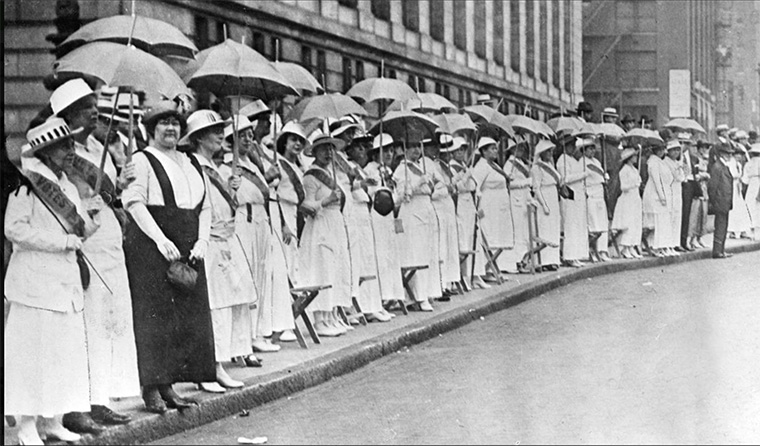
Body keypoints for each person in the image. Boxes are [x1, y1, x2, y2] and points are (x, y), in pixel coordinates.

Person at [5, 118, 104, 444]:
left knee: (62, 354)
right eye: (63, 146)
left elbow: (78, 234)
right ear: (45, 152)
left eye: (71, 145)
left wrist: (92, 217)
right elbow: (14, 230)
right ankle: (27, 425)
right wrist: (61, 242)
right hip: (35, 282)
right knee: (34, 355)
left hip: (64, 281)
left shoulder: (69, 187)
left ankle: (52, 420)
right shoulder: (26, 185)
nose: (70, 151)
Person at [52, 80, 140, 432]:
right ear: (69, 113)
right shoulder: (59, 151)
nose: (95, 112)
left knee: (109, 323)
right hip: (83, 243)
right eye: (88, 106)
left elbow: (108, 194)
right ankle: (78, 405)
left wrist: (121, 183)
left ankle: (100, 398)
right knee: (87, 326)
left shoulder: (94, 147)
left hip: (109, 243)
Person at [121, 100, 216, 414]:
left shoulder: (191, 161)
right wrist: (160, 239)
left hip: (188, 242)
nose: (171, 128)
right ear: (151, 130)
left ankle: (169, 384)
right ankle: (151, 387)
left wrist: (202, 239)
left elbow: (205, 206)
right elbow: (134, 202)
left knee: (183, 317)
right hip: (151, 244)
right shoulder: (142, 160)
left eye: (176, 123)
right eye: (164, 123)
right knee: (155, 317)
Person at [182, 110, 256, 393]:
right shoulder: (193, 167)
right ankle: (207, 368)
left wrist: (232, 189)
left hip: (227, 240)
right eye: (214, 131)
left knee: (230, 305)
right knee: (214, 307)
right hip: (209, 244)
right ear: (199, 138)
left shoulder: (216, 169)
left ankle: (219, 365)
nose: (221, 135)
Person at [218, 115, 268, 367]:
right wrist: (232, 186)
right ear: (231, 140)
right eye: (242, 135)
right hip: (240, 223)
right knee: (243, 282)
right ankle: (241, 343)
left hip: (259, 221)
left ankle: (253, 335)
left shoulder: (253, 164)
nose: (248, 139)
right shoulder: (227, 166)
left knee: (258, 277)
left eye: (251, 135)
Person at [298, 135, 353, 333]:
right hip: (321, 225)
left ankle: (332, 316)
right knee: (323, 269)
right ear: (314, 152)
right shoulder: (311, 176)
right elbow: (306, 206)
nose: (328, 153)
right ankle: (320, 320)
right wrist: (326, 201)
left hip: (335, 223)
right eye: (323, 149)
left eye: (331, 149)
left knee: (337, 269)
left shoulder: (332, 173)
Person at [344, 132, 389, 322]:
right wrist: (360, 183)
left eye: (365, 147)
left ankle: (372, 304)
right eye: (359, 147)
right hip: (353, 212)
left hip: (365, 213)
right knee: (359, 260)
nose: (363, 151)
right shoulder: (349, 167)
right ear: (350, 150)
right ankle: (358, 306)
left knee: (369, 258)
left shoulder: (361, 169)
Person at [392, 138, 442, 311]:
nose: (415, 150)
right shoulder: (401, 169)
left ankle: (428, 291)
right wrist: (417, 182)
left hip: (426, 208)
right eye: (412, 146)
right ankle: (418, 296)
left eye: (418, 146)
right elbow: (401, 196)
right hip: (412, 212)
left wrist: (428, 182)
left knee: (428, 251)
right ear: (404, 149)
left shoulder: (422, 166)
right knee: (416, 252)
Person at [364, 134, 404, 312]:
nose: (388, 154)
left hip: (389, 218)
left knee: (390, 256)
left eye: (390, 150)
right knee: (381, 256)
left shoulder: (388, 171)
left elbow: (394, 197)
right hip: (377, 216)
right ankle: (380, 297)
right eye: (384, 150)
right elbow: (373, 194)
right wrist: (382, 186)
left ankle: (390, 296)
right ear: (375, 154)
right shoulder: (370, 170)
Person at [422, 135, 460, 297]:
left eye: (436, 146)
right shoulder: (426, 164)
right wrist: (445, 189)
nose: (436, 149)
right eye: (432, 146)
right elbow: (432, 191)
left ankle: (447, 282)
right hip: (436, 208)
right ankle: (440, 284)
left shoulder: (435, 163)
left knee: (447, 246)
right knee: (439, 248)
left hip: (445, 208)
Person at [449, 137, 489, 288]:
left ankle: (476, 273)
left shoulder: (465, 165)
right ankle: (465, 275)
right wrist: (465, 177)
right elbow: (455, 187)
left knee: (475, 236)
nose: (460, 152)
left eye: (463, 150)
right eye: (457, 150)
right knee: (464, 238)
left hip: (470, 203)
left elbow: (473, 185)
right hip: (460, 203)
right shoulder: (452, 167)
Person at [472, 137, 515, 277]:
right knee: (489, 236)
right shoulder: (481, 166)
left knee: (499, 236)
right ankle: (486, 269)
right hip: (488, 206)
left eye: (496, 148)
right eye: (492, 148)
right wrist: (477, 207)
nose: (495, 151)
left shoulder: (494, 165)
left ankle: (495, 267)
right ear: (483, 151)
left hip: (499, 206)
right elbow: (476, 187)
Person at [557, 139, 590, 267]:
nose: (573, 148)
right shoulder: (562, 160)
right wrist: (583, 175)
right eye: (570, 146)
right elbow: (565, 179)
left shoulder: (573, 159)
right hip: (569, 194)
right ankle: (569, 256)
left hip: (578, 195)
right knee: (571, 226)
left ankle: (576, 255)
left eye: (573, 146)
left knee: (577, 225)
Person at [531, 140, 562, 269]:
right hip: (544, 196)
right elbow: (536, 188)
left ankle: (553, 259)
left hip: (553, 195)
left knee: (553, 228)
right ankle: (543, 260)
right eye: (547, 151)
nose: (550, 153)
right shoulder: (537, 167)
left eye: (551, 151)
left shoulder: (550, 165)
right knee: (544, 228)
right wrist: (543, 204)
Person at [504, 139, 533, 273]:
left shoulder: (522, 163)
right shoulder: (509, 164)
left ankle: (523, 259)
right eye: (517, 148)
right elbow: (509, 185)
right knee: (518, 232)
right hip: (515, 200)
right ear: (511, 149)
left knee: (524, 232)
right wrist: (525, 182)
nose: (520, 150)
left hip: (523, 199)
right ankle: (516, 261)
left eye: (522, 147)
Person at [580, 138, 611, 261]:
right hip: (591, 193)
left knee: (602, 223)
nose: (592, 151)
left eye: (593, 148)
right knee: (594, 224)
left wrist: (605, 177)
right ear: (584, 150)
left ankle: (603, 250)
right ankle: (593, 250)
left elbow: (601, 176)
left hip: (600, 193)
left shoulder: (597, 162)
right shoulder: (582, 162)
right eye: (589, 149)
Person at [642, 142, 673, 257]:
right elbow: (656, 181)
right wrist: (662, 196)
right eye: (661, 150)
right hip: (654, 194)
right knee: (654, 222)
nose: (663, 152)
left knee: (661, 221)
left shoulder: (660, 162)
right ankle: (651, 245)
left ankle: (660, 246)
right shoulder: (653, 162)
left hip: (662, 192)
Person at [611, 148, 642, 258]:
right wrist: (634, 184)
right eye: (634, 156)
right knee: (629, 223)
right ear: (629, 158)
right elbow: (623, 187)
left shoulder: (634, 169)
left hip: (635, 198)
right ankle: (625, 247)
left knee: (635, 223)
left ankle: (632, 246)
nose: (636, 158)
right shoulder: (624, 170)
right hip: (628, 199)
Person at [708, 143, 735, 258]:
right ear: (721, 154)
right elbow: (713, 187)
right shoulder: (717, 167)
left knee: (723, 226)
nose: (729, 155)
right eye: (726, 153)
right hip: (720, 201)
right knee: (720, 225)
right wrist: (714, 201)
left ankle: (721, 250)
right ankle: (717, 251)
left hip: (725, 201)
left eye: (729, 153)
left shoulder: (723, 166)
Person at [677, 133, 700, 251]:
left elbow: (694, 173)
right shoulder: (676, 157)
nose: (683, 146)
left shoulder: (692, 157)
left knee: (686, 214)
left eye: (685, 143)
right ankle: (676, 242)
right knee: (678, 214)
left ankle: (683, 240)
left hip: (689, 185)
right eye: (681, 143)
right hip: (678, 185)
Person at [687, 141, 712, 249]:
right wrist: (704, 175)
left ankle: (699, 237)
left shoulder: (706, 159)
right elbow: (695, 174)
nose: (704, 150)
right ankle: (691, 238)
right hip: (697, 187)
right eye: (702, 147)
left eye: (706, 148)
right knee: (695, 214)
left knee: (703, 213)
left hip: (704, 188)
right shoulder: (694, 158)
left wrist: (706, 175)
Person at [663, 140, 686, 256]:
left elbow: (683, 177)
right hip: (671, 191)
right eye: (674, 150)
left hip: (678, 191)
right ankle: (668, 244)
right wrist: (678, 170)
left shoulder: (676, 162)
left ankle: (674, 243)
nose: (676, 153)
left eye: (678, 150)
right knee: (670, 217)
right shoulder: (666, 162)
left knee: (677, 217)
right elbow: (675, 177)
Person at [726, 146, 753, 239]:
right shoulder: (730, 163)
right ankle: (732, 229)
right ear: (733, 155)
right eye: (737, 154)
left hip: (738, 186)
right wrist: (737, 177)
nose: (739, 157)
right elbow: (732, 175)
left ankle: (741, 229)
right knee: (734, 207)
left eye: (740, 155)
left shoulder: (739, 164)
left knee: (740, 207)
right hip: (732, 186)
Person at [741, 143, 760, 239]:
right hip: (756, 184)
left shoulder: (748, 164)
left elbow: (745, 180)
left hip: (752, 185)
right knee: (756, 207)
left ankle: (754, 230)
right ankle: (756, 231)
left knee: (751, 205)